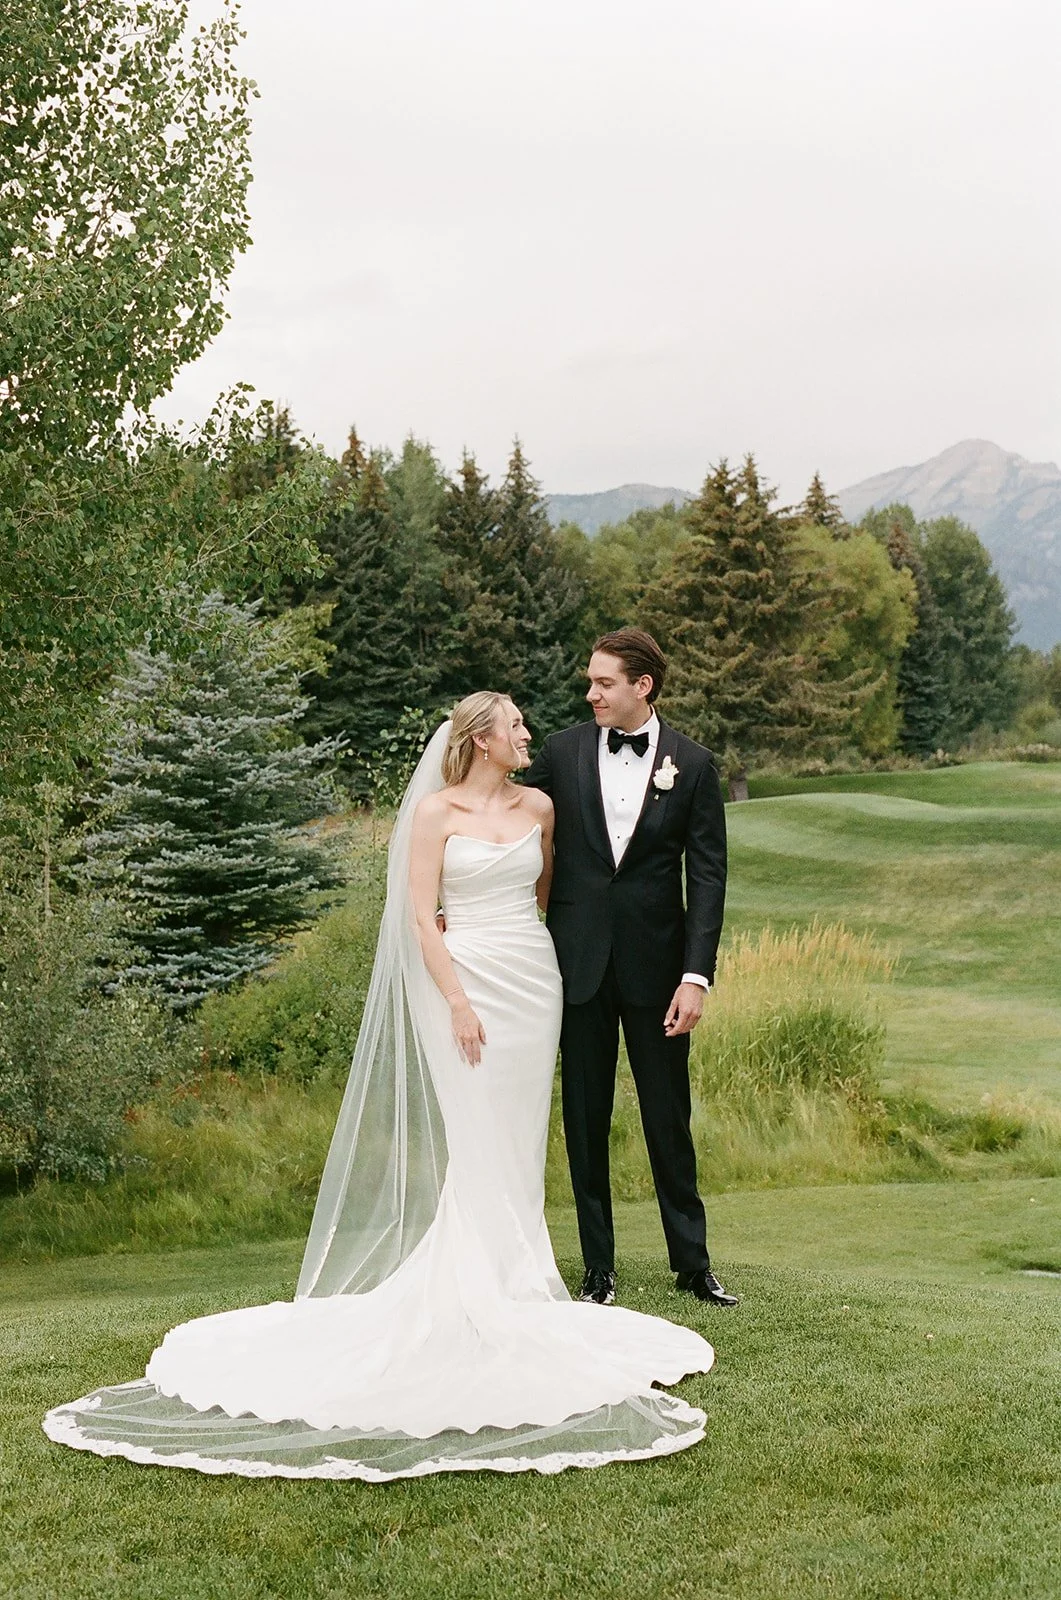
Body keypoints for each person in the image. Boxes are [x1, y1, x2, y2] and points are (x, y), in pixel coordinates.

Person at [43, 692, 714, 1482]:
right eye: (515, 726)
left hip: (532, 982)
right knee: (473, 1135)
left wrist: (540, 962)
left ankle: (518, 1281)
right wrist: (458, 1000)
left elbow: (546, 900)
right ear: (479, 739)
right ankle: (475, 1289)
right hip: (462, 987)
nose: (529, 734)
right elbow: (423, 920)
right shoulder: (433, 813)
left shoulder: (539, 807)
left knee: (520, 1136)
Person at [524, 629, 736, 1309]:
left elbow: (706, 879)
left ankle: (692, 1263)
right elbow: (510, 825)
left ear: (641, 685)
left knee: (667, 1118)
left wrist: (695, 977)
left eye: (602, 683)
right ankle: (597, 1270)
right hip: (576, 965)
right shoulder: (559, 752)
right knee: (584, 1118)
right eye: (590, 682)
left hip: (657, 973)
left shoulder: (695, 766)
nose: (590, 694)